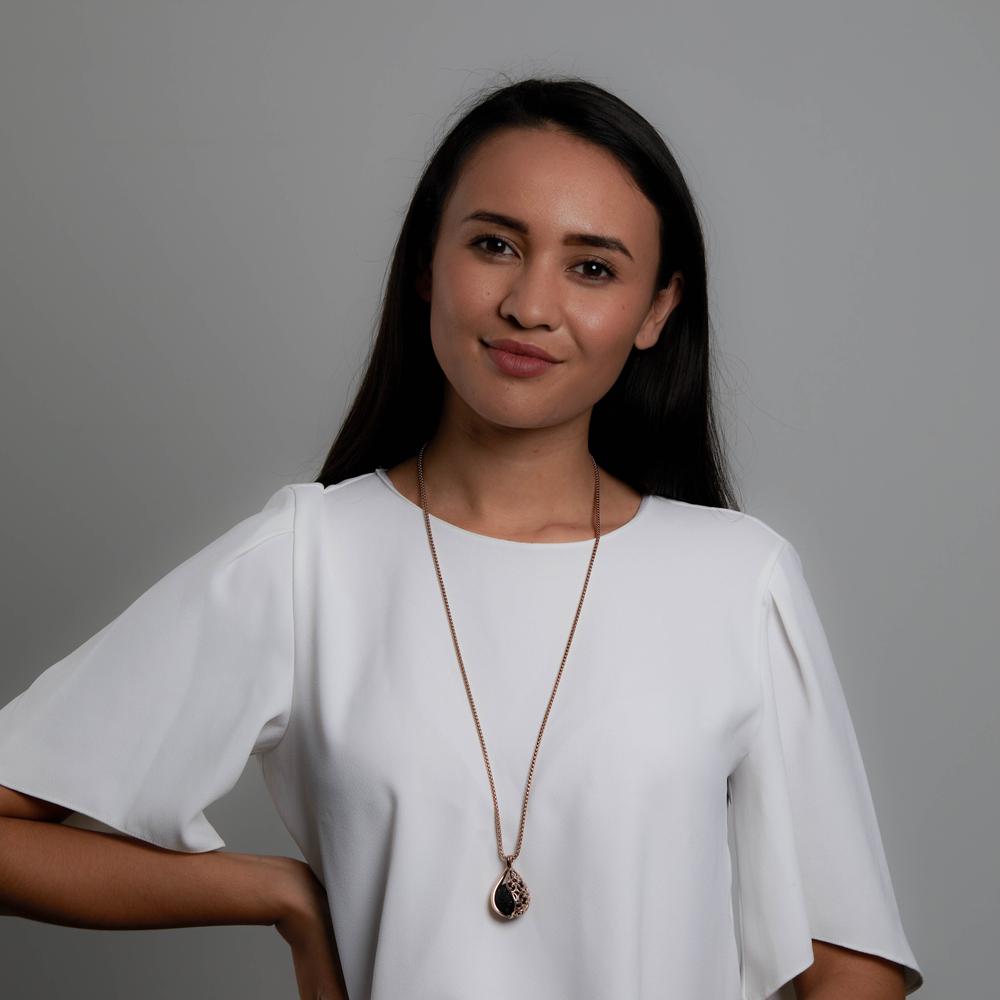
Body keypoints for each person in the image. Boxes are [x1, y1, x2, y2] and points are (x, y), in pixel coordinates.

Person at [0, 76, 923, 999]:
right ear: (425, 266)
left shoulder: (738, 577)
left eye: (592, 268)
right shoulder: (310, 559)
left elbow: (852, 964)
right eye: (495, 245)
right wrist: (278, 894)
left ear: (656, 310)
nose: (530, 304)